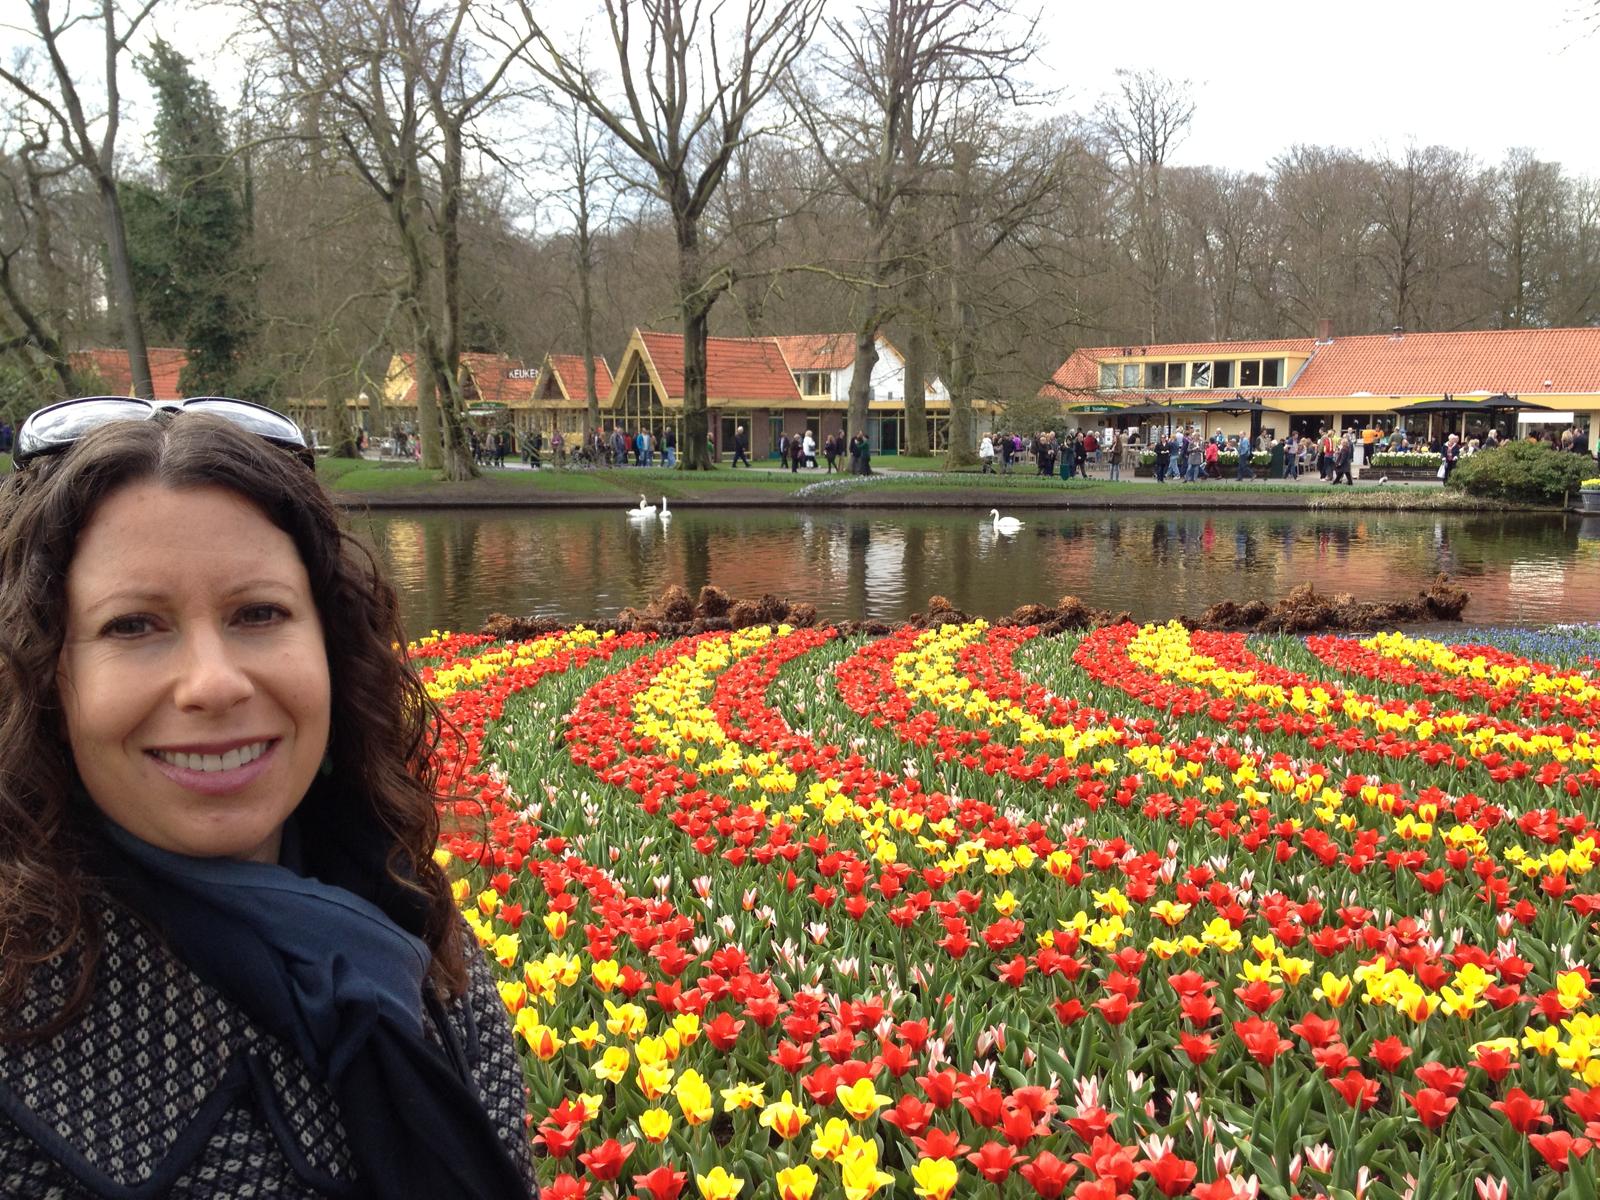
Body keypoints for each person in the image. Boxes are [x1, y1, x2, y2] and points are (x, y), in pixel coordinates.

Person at [0, 398, 537, 1199]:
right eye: (135, 626)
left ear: (331, 647)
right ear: (45, 675)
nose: (214, 683)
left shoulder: (421, 951)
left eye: (259, 614)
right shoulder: (21, 1016)